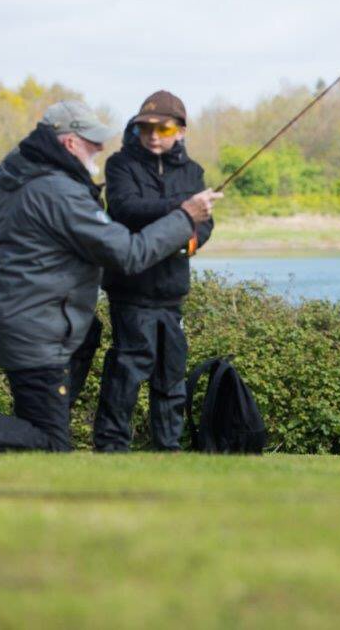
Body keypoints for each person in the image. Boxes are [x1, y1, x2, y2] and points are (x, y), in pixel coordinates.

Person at [0, 100, 222, 453]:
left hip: (13, 314)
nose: (100, 148)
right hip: (36, 328)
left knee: (76, 357)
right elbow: (129, 254)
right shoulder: (59, 191)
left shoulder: (20, 173)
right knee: (49, 444)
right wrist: (185, 216)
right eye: (93, 142)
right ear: (69, 144)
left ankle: (26, 428)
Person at [94, 90, 213, 452]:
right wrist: (183, 210)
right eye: (145, 127)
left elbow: (204, 225)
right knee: (129, 368)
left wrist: (186, 240)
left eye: (162, 128)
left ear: (180, 131)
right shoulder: (120, 165)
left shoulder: (193, 172)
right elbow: (126, 208)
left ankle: (168, 446)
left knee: (171, 372)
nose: (153, 135)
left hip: (172, 290)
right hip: (130, 289)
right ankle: (112, 445)